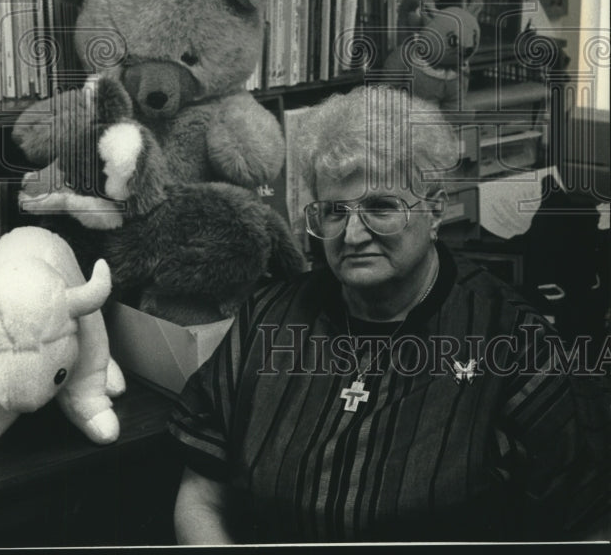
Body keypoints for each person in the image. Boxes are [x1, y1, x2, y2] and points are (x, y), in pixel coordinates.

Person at [169, 86, 610, 544]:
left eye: (380, 207)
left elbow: (589, 524)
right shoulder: (269, 318)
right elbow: (201, 495)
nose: (353, 234)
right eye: (335, 211)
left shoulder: (513, 342)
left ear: (435, 209)